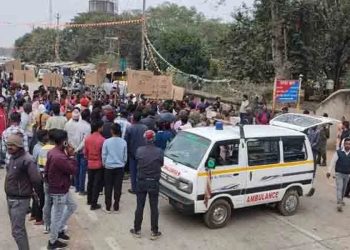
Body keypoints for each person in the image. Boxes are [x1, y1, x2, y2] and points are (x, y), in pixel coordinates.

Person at [5, 134, 42, 250]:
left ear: (19, 146)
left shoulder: (27, 160)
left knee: (17, 232)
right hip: (11, 198)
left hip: (19, 200)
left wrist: (35, 193)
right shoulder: (13, 157)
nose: (9, 147)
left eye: (12, 145)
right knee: (19, 229)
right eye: (8, 145)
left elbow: (36, 179)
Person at [45, 129, 77, 249]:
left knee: (72, 206)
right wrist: (72, 156)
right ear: (63, 141)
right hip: (59, 189)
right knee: (56, 217)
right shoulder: (59, 156)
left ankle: (59, 230)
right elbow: (73, 170)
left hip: (61, 186)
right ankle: (52, 241)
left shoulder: (54, 151)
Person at [130, 130, 164, 240]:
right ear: (154, 139)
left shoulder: (139, 150)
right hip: (153, 181)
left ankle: (137, 230)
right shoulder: (159, 151)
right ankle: (154, 231)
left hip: (141, 181)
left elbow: (137, 160)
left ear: (145, 139)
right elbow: (161, 163)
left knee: (140, 206)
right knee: (154, 207)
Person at [65, 108, 91, 195]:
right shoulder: (86, 126)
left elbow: (67, 137)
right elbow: (85, 141)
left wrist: (71, 148)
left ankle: (76, 187)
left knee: (75, 169)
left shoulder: (68, 124)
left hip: (72, 149)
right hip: (80, 150)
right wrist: (77, 149)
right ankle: (81, 189)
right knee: (82, 170)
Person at [102, 123, 127, 212]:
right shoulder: (123, 142)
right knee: (118, 187)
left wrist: (104, 163)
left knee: (108, 187)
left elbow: (104, 155)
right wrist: (123, 163)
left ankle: (108, 207)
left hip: (109, 167)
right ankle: (116, 206)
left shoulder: (107, 141)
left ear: (112, 131)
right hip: (120, 167)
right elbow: (125, 156)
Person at [85, 120, 105, 210]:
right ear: (99, 128)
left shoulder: (88, 138)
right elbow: (103, 154)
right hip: (99, 163)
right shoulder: (102, 140)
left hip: (90, 162)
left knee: (90, 182)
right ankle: (94, 203)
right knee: (97, 184)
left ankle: (89, 200)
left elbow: (85, 153)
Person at [125, 112, 147, 194]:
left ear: (133, 118)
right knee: (141, 171)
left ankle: (134, 188)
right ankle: (141, 187)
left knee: (133, 172)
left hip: (132, 153)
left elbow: (126, 141)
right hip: (143, 153)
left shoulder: (130, 128)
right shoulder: (145, 128)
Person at [327, 138, 350, 212]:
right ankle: (339, 203)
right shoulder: (338, 152)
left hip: (347, 174)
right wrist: (329, 171)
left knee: (344, 189)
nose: (348, 145)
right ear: (344, 144)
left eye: (349, 144)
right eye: (346, 144)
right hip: (339, 173)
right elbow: (333, 162)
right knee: (340, 188)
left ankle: (341, 199)